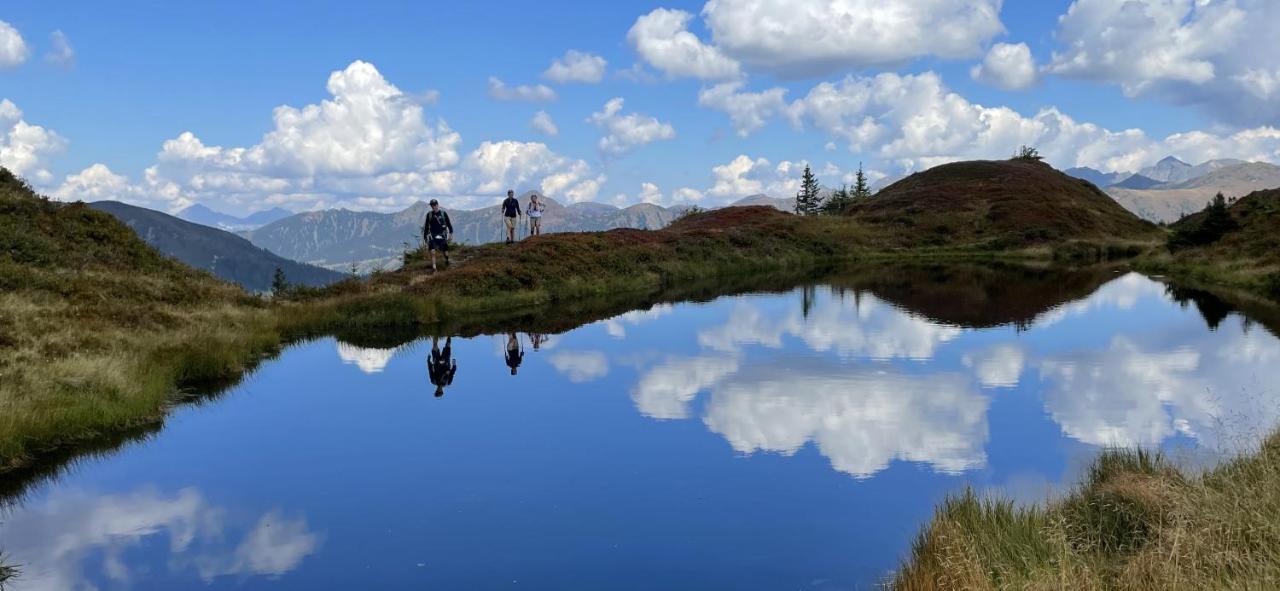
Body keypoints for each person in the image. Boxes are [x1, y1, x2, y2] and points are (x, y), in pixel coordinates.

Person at [422, 199, 454, 272]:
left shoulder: (443, 213)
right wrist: (425, 237)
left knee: (445, 251)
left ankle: (447, 259)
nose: (433, 207)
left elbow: (449, 224)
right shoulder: (429, 215)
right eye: (431, 205)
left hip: (442, 235)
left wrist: (451, 233)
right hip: (432, 235)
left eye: (434, 205)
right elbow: (427, 226)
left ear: (437, 205)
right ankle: (434, 268)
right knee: (432, 251)